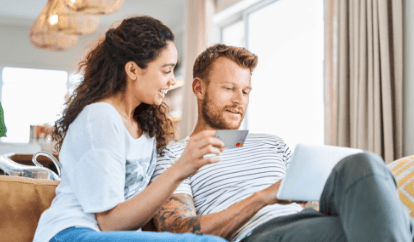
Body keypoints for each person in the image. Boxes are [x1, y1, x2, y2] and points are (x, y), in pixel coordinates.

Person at [150, 44, 414, 242]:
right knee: (394, 227)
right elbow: (178, 230)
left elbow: (308, 203)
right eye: (229, 88)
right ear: (198, 88)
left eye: (245, 91)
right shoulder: (174, 156)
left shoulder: (272, 144)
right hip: (259, 235)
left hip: (308, 223)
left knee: (363, 163)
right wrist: (263, 197)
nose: (238, 101)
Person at [33, 16, 227, 242]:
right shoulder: (100, 118)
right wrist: (180, 169)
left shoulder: (144, 127)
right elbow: (109, 223)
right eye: (166, 70)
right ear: (133, 70)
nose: (172, 80)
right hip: (72, 234)